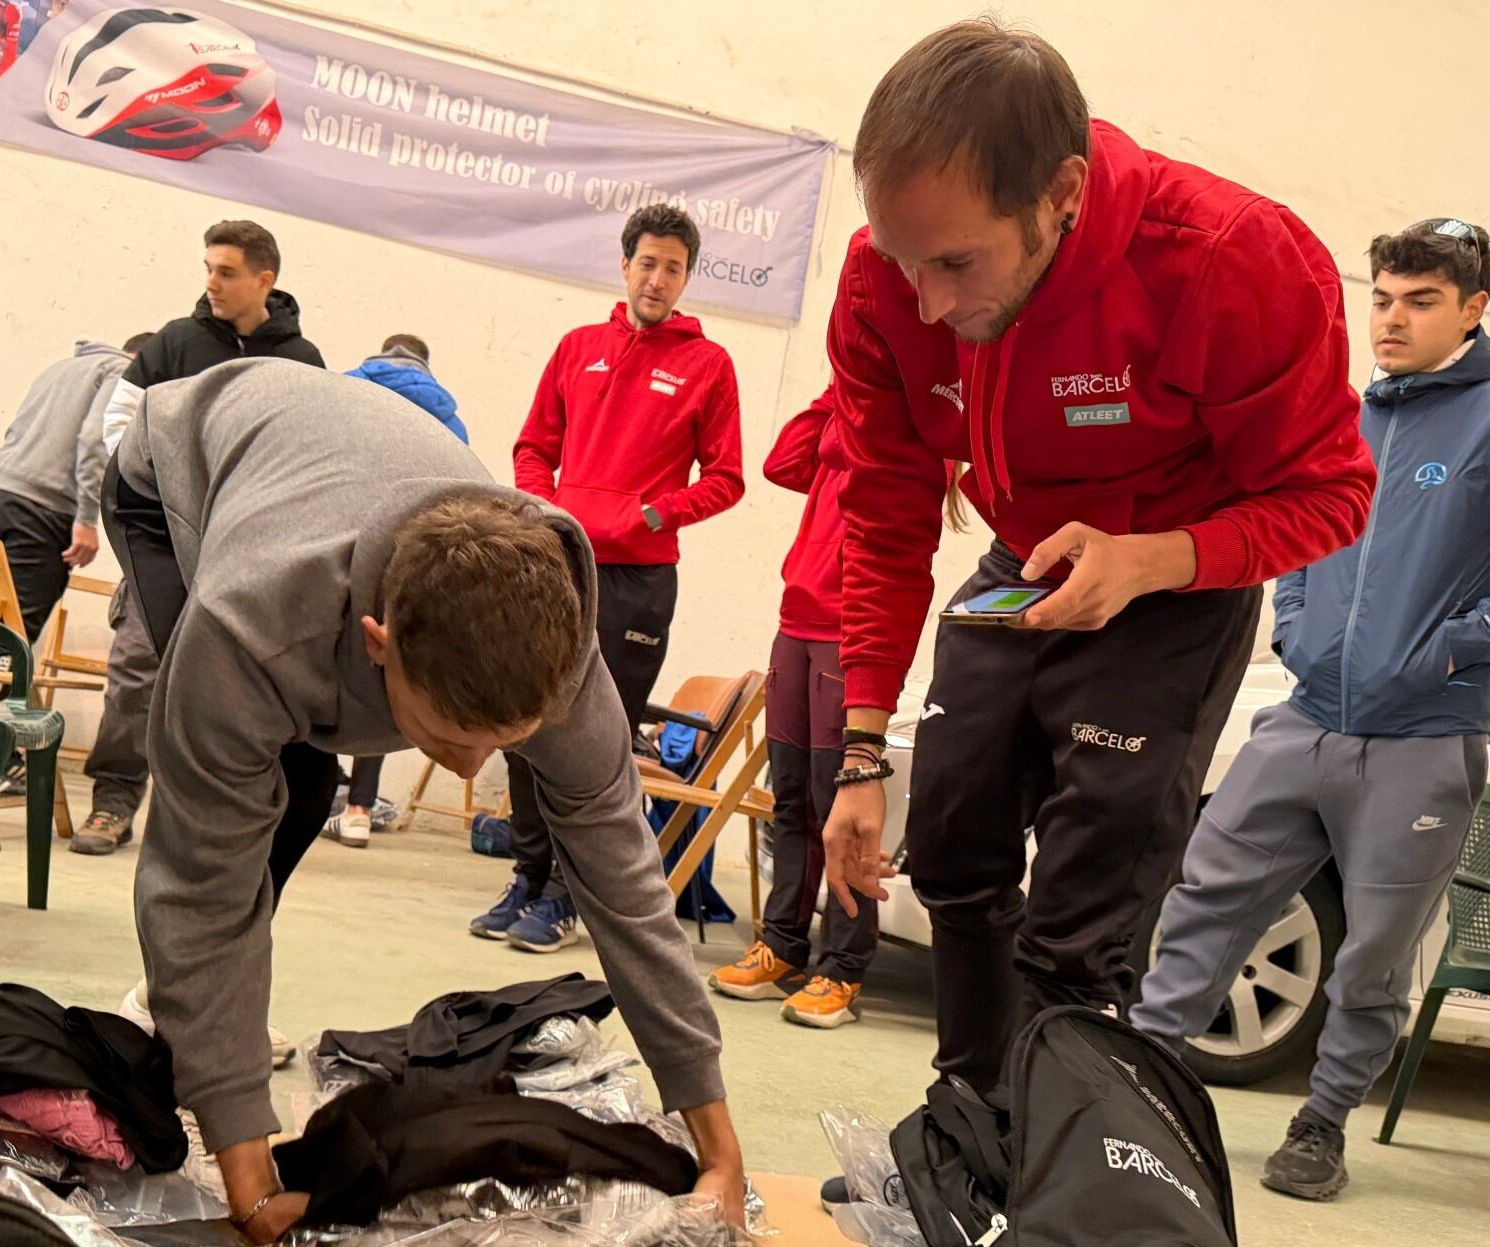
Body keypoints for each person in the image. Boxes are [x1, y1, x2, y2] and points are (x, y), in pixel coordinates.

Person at [817, 20, 1378, 1102]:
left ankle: (1047, 1166)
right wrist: (855, 749)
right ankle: (963, 1124)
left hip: (1172, 586)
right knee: (948, 850)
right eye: (901, 258)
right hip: (1023, 565)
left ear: (1060, 192)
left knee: (1083, 909)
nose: (927, 302)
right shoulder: (882, 285)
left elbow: (1332, 494)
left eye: (954, 262)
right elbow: (884, 512)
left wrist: (1154, 558)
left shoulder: (1230, 260)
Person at [100, 358, 745, 1242]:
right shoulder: (250, 625)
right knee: (262, 800)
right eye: (446, 736)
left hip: (342, 472)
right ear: (377, 643)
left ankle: (210, 1035)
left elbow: (624, 882)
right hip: (178, 467)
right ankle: (198, 1042)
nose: (476, 762)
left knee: (294, 778)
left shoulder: (567, 665)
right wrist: (250, 1185)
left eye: (506, 741)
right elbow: (198, 867)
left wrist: (718, 1144)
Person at [1132, 220, 1490, 1201]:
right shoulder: (1340, 417)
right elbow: (1298, 531)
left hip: (1421, 738)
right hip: (1306, 718)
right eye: (1382, 298)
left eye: (1420, 301)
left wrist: (1465, 638)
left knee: (1373, 953)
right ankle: (1134, 1083)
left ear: (1472, 309)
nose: (1391, 320)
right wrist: (1295, 626)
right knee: (1201, 899)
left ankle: (1320, 1125)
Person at [480, 203, 744, 952]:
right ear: (625, 265)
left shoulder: (709, 366)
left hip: (636, 583)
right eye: (647, 263)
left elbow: (726, 479)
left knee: (594, 740)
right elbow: (533, 445)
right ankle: (529, 878)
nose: (658, 279)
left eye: (673, 268)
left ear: (687, 278)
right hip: (556, 566)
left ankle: (568, 895)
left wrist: (653, 517)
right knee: (523, 724)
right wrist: (547, 506)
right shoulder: (578, 348)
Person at [72, 220, 323, 859]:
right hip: (162, 545)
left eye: (227, 271)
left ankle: (204, 821)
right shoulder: (175, 344)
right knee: (136, 671)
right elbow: (120, 421)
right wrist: (164, 491)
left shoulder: (302, 363)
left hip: (250, 556)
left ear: (264, 280)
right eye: (208, 267)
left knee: (236, 688)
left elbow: (312, 450)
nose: (211, 282)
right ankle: (112, 803)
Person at [708, 384, 886, 1029]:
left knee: (834, 801)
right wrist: (840, 386)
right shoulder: (845, 408)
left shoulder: (903, 419)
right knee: (791, 797)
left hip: (852, 625)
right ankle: (782, 946)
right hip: (797, 620)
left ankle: (842, 967)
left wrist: (866, 397)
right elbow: (783, 462)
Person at [0, 333, 151, 795]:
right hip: (44, 510)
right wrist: (86, 518)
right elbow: (95, 441)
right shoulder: (121, 374)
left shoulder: (61, 368)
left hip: (2, 496)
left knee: (7, 628)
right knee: (14, 637)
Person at [322, 334, 473, 846]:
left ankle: (302, 795)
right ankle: (360, 809)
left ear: (380, 353)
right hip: (405, 566)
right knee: (386, 678)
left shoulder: (344, 389)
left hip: (335, 551)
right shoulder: (451, 422)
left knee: (309, 666)